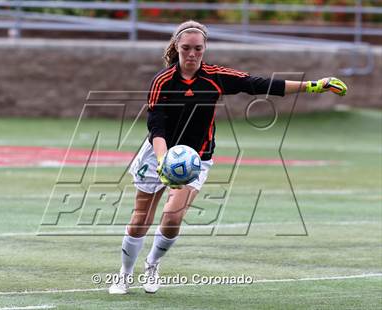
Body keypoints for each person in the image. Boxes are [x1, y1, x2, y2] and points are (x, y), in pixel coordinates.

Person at [109, 20, 347, 294]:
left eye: (198, 48)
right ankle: (124, 275)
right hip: (158, 153)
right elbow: (156, 125)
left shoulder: (215, 77)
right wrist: (163, 160)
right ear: (176, 47)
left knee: (173, 217)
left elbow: (258, 84)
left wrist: (314, 85)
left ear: (205, 48)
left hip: (196, 157)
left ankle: (153, 264)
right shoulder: (162, 81)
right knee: (141, 218)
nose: (192, 54)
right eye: (186, 48)